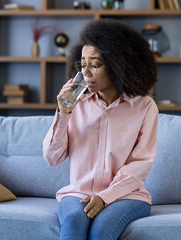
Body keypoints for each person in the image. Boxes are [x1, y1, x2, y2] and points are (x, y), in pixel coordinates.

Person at [43, 18, 158, 240]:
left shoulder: (144, 107)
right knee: (75, 220)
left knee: (101, 230)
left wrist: (106, 197)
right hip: (78, 193)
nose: (86, 72)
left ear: (117, 65)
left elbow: (140, 166)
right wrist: (64, 113)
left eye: (94, 65)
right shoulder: (75, 103)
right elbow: (52, 157)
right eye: (82, 64)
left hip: (127, 196)